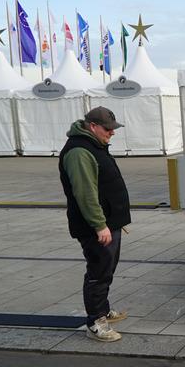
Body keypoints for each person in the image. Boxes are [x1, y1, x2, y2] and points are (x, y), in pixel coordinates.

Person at [59, 107, 130, 342]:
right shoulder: (79, 151)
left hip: (108, 222)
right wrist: (100, 225)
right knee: (98, 272)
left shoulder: (94, 145)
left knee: (106, 269)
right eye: (108, 129)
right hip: (95, 226)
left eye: (113, 128)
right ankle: (95, 322)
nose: (112, 133)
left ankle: (103, 309)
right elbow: (85, 193)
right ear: (92, 126)